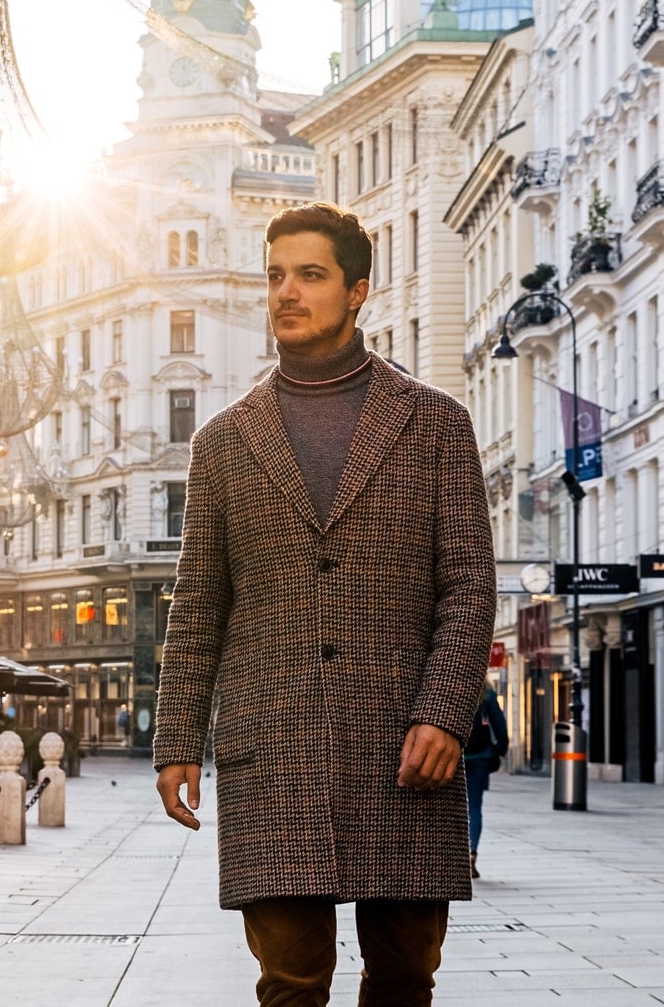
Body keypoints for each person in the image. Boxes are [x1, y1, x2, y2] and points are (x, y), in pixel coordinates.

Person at [153, 202, 495, 1007]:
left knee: (406, 977)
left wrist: (444, 715)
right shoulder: (224, 442)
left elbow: (469, 586)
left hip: (405, 749)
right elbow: (198, 607)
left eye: (310, 275)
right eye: (275, 275)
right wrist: (177, 740)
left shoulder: (437, 424)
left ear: (358, 290)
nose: (286, 293)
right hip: (272, 748)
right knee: (290, 982)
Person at [463, 684, 509, 877]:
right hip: (481, 755)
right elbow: (499, 724)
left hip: (454, 754)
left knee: (448, 807)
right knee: (474, 806)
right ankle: (471, 852)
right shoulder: (486, 691)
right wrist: (500, 750)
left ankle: (454, 856)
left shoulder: (449, 684)